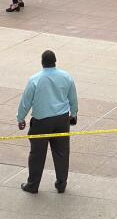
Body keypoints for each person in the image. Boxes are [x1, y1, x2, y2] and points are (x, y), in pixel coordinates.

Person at [17, 50, 78, 194]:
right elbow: (73, 98)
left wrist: (20, 118)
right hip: (62, 120)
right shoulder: (66, 77)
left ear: (42, 62)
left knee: (37, 154)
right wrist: (73, 114)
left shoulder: (34, 79)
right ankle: (61, 184)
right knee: (62, 152)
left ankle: (33, 185)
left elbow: (25, 102)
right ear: (55, 61)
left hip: (41, 122)